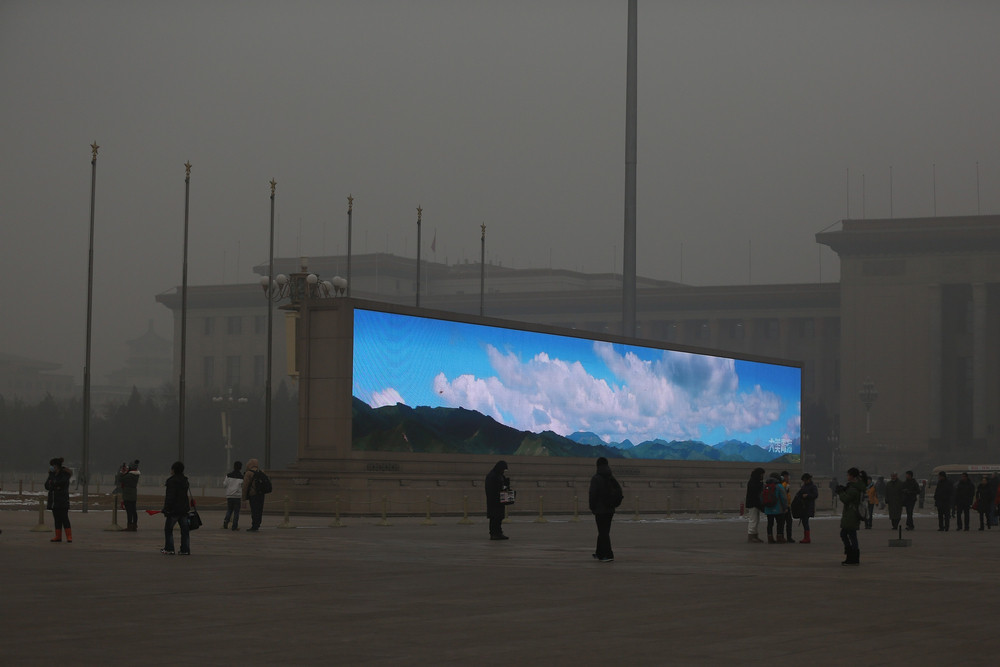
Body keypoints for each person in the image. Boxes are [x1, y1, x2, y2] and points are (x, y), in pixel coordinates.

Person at [589, 457, 623, 562]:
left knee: (603, 532)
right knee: (604, 531)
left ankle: (608, 555)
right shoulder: (611, 477)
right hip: (610, 509)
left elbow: (592, 494)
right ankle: (599, 553)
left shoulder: (596, 478)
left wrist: (592, 507)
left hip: (600, 510)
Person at [836, 467, 865, 565]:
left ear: (852, 476)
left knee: (849, 535)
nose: (847, 477)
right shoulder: (855, 486)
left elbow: (846, 499)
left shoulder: (854, 488)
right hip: (851, 514)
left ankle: (852, 556)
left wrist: (840, 492)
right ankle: (852, 556)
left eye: (848, 475)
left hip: (851, 515)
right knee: (849, 535)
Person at [161, 461, 191, 555]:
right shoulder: (185, 480)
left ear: (173, 470)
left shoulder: (171, 481)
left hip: (173, 510)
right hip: (184, 509)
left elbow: (170, 497)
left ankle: (169, 548)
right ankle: (185, 549)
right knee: (185, 531)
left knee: (168, 529)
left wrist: (166, 508)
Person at [45, 457, 73, 543]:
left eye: (53, 466)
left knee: (64, 518)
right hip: (54, 501)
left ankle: (69, 536)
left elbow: (61, 483)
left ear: (57, 466)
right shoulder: (52, 475)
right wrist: (53, 483)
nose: (52, 467)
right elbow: (47, 485)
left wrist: (54, 484)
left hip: (62, 500)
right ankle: (58, 536)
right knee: (57, 519)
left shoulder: (64, 474)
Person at [484, 460, 510, 540]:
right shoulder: (492, 476)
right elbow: (491, 489)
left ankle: (498, 532)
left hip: (500, 500)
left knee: (499, 517)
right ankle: (494, 533)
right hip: (494, 501)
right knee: (494, 517)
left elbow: (503, 486)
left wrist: (506, 485)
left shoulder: (499, 475)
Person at [763, 472, 788, 544]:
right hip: (778, 509)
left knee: (770, 524)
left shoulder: (766, 485)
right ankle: (779, 537)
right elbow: (783, 498)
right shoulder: (779, 486)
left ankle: (770, 538)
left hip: (768, 508)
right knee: (780, 523)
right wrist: (785, 507)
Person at [242, 458, 267, 532]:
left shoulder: (248, 473)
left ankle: (254, 525)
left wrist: (243, 498)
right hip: (261, 494)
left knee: (254, 510)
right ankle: (258, 524)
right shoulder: (261, 472)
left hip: (253, 494)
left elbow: (245, 486)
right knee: (259, 510)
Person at [794, 472, 819, 544]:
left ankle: (807, 538)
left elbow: (815, 495)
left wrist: (807, 495)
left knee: (805, 521)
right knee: (804, 522)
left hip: (808, 507)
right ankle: (806, 537)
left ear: (809, 479)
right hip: (803, 506)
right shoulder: (804, 486)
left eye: (805, 480)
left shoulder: (813, 486)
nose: (804, 482)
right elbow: (799, 493)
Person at [744, 467, 766, 543]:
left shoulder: (753, 481)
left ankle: (755, 535)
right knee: (753, 520)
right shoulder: (755, 483)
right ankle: (751, 535)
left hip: (754, 503)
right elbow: (756, 495)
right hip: (753, 504)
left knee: (756, 520)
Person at [119, 460, 140, 531]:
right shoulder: (136, 475)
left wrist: (122, 472)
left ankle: (129, 526)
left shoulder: (129, 476)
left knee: (129, 512)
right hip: (133, 495)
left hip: (128, 495)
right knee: (134, 511)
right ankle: (134, 525)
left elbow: (121, 479)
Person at [223, 461, 243, 530]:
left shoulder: (228, 475)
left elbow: (224, 485)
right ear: (240, 468)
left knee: (229, 510)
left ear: (233, 466)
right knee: (236, 512)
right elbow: (243, 486)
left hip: (229, 496)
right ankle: (234, 526)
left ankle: (226, 522)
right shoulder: (241, 477)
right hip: (237, 496)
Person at [780, 471, 795, 542]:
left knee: (784, 522)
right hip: (785, 506)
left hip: (786, 505)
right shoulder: (784, 485)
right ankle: (787, 537)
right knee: (787, 522)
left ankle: (783, 537)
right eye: (786, 476)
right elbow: (784, 496)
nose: (788, 478)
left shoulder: (785, 484)